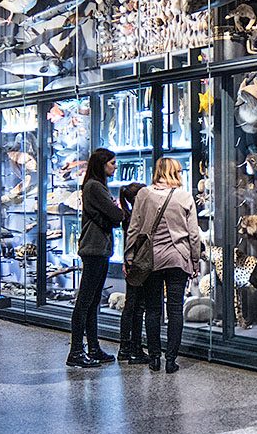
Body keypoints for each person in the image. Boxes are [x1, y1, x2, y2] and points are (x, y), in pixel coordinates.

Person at [128, 158, 200, 373]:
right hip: (178, 258)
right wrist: (195, 260)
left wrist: (129, 255)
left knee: (153, 309)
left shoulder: (144, 194)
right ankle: (171, 360)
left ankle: (154, 358)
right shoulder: (184, 197)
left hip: (151, 260)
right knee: (175, 310)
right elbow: (194, 234)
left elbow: (134, 227)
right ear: (176, 172)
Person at [68, 147, 123, 368]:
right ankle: (76, 351)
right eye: (111, 163)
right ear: (102, 165)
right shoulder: (94, 187)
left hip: (98, 248)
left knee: (92, 301)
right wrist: (116, 211)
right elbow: (117, 215)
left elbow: (113, 216)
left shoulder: (96, 186)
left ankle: (92, 347)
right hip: (94, 249)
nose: (115, 167)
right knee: (85, 301)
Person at [116, 182, 149, 364]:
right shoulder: (137, 218)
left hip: (131, 264)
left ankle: (125, 347)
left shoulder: (127, 216)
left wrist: (125, 260)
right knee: (137, 308)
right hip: (139, 264)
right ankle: (135, 348)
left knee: (131, 306)